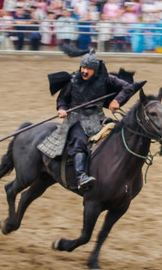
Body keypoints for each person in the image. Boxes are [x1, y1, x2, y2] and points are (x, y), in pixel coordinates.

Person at [37, 50, 134, 190]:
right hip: (76, 119)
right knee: (79, 140)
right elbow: (62, 99)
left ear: (95, 69)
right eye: (83, 67)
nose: (84, 71)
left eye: (88, 68)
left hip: (98, 117)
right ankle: (81, 176)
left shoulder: (106, 79)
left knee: (117, 132)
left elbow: (128, 87)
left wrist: (117, 100)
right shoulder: (73, 81)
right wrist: (61, 109)